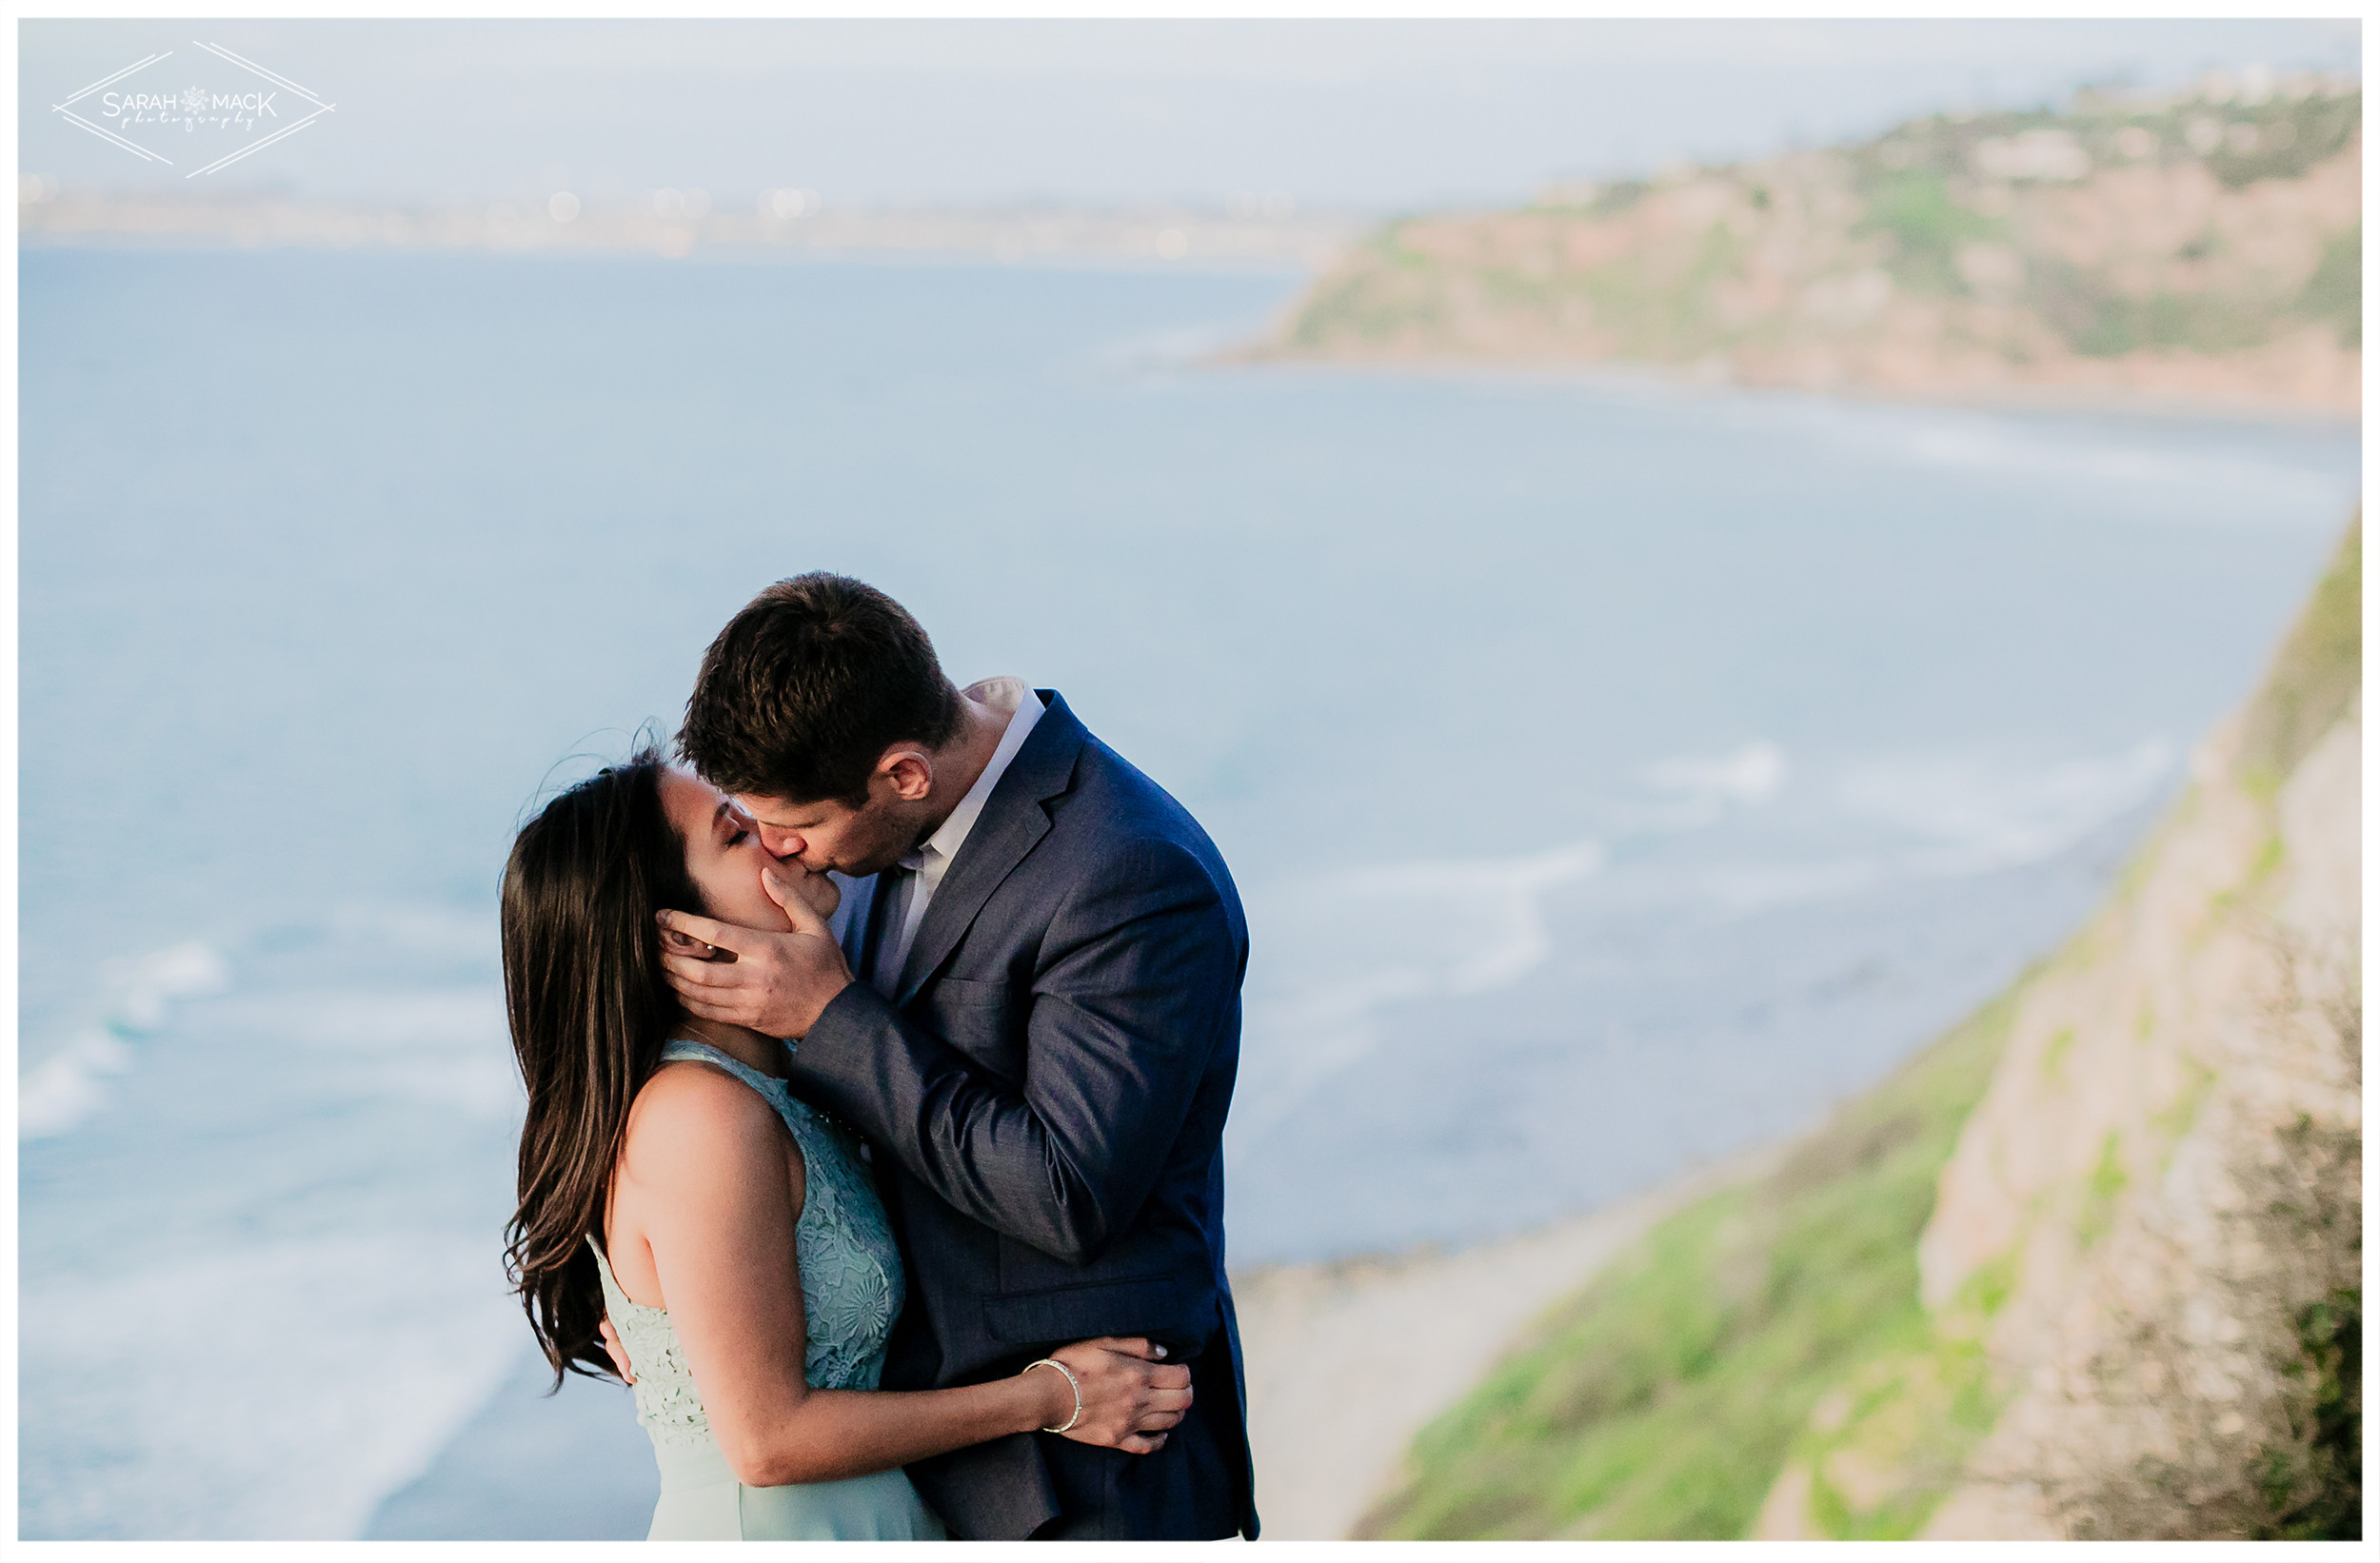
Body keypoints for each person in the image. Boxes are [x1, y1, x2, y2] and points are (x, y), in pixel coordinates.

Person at [650, 573, 1259, 1540]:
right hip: (907, 1465)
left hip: (1087, 1473)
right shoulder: (867, 840)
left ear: (903, 774)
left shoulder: (1129, 875)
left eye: (798, 826)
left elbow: (1068, 1191)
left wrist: (835, 1015)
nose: (778, 853)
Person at [500, 748, 1193, 1541]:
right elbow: (767, 1442)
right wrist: (1050, 1396)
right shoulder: (700, 1118)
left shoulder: (784, 1071)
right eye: (736, 834)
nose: (779, 837)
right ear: (683, 938)